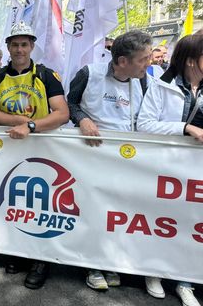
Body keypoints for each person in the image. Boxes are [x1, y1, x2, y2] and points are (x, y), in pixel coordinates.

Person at [0, 21, 68, 289]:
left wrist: (30, 126)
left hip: (42, 149)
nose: (19, 49)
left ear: (32, 46)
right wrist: (15, 120)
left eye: (24, 44)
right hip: (9, 149)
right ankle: (18, 252)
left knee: (42, 204)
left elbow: (62, 114)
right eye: (14, 44)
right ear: (7, 47)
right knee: (13, 202)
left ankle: (40, 259)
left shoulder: (46, 75)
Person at [67, 30, 152, 290]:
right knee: (94, 211)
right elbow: (70, 103)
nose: (148, 64)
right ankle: (92, 265)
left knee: (119, 214)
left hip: (126, 160)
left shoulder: (143, 80)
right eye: (143, 59)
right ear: (123, 61)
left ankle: (110, 262)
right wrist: (82, 119)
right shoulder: (88, 73)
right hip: (93, 156)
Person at [137, 34, 203, 306]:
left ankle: (184, 280)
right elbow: (145, 125)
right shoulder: (160, 86)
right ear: (190, 61)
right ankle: (154, 271)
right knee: (162, 221)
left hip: (196, 171)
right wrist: (184, 128)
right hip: (165, 166)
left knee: (191, 222)